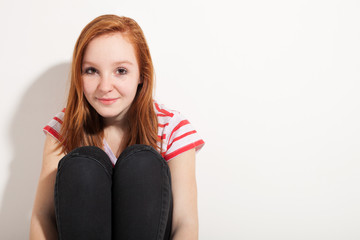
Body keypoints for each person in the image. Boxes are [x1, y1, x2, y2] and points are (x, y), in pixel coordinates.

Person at [29, 14, 204, 240]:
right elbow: (42, 216)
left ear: (142, 74)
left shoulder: (172, 127)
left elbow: (185, 223)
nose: (105, 87)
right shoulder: (64, 127)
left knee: (141, 163)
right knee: (83, 165)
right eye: (91, 71)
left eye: (120, 71)